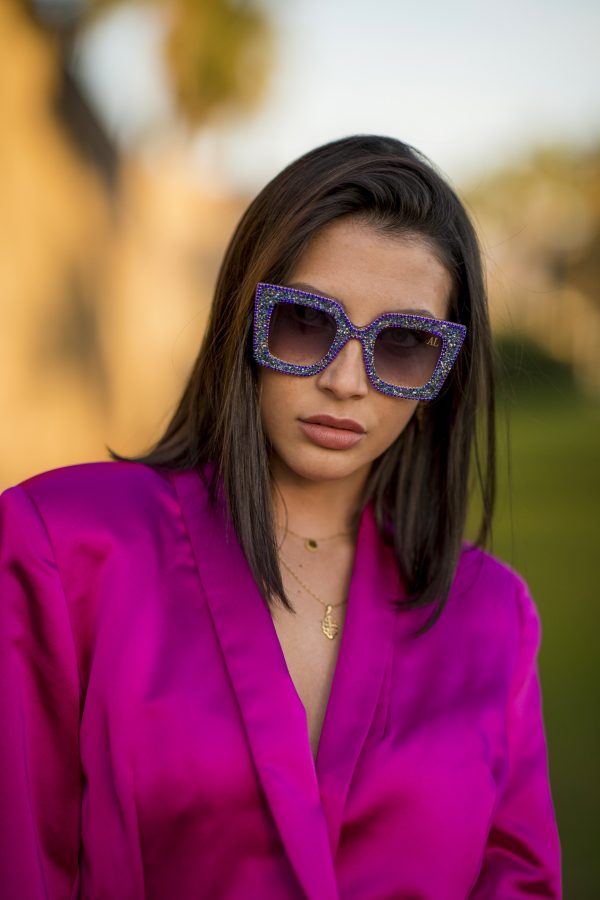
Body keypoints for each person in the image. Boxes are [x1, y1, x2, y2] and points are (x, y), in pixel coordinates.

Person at [0, 134, 561, 899]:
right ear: (246, 321)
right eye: (306, 321)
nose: (346, 381)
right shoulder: (63, 546)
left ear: (444, 373)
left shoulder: (493, 614)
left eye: (403, 344)